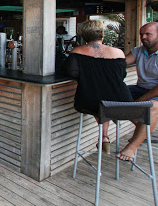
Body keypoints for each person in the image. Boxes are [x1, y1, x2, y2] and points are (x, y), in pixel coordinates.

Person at [63, 20, 133, 154]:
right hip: (121, 100)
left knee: (98, 100)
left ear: (84, 36)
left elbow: (70, 72)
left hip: (90, 99)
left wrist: (89, 73)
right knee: (104, 101)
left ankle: (104, 137)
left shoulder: (77, 51)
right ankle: (104, 136)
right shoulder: (118, 52)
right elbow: (122, 75)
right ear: (102, 34)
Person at [121, 22, 158, 161]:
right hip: (140, 88)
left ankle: (132, 147)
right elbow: (122, 63)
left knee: (152, 106)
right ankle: (143, 131)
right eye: (141, 34)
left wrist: (140, 101)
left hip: (156, 93)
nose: (143, 37)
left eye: (148, 34)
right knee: (114, 96)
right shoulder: (139, 50)